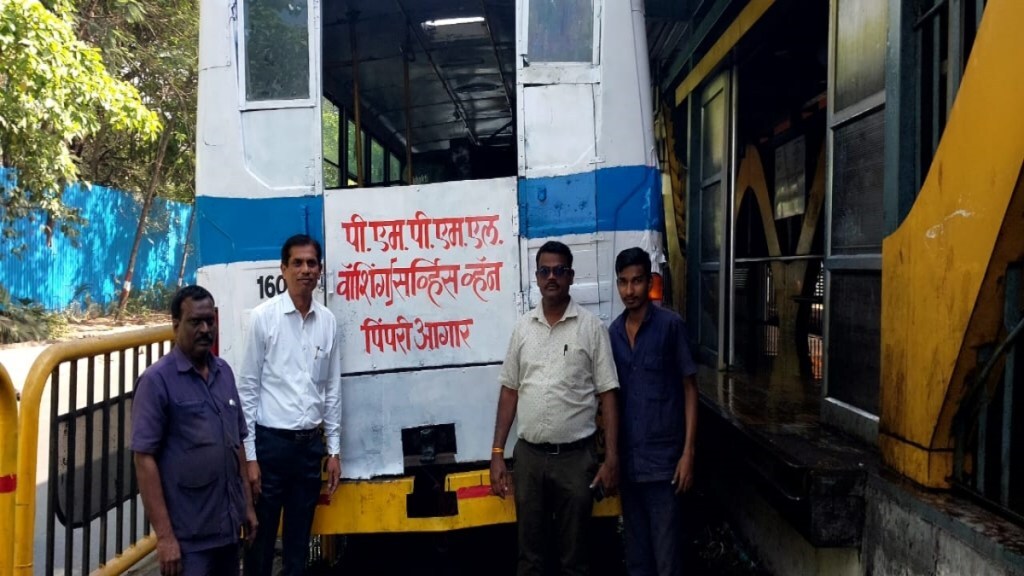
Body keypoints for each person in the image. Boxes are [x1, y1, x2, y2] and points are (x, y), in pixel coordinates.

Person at [489, 240, 620, 576]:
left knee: (574, 558)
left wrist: (611, 459)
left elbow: (608, 395)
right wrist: (497, 452)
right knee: (529, 557)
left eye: (559, 271)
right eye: (545, 271)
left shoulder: (591, 328)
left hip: (576, 461)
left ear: (571, 276)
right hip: (530, 459)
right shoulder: (522, 329)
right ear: (536, 277)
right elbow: (509, 391)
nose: (552, 277)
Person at [132, 285, 257, 576]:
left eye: (210, 321)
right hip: (189, 542)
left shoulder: (223, 372)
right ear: (176, 325)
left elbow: (236, 443)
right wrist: (165, 538)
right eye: (195, 322)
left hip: (226, 532)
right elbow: (144, 459)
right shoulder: (156, 381)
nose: (205, 329)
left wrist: (247, 508)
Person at [239, 234, 342, 576]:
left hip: (309, 450)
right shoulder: (263, 318)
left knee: (299, 547)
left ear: (320, 270)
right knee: (260, 541)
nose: (305, 270)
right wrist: (250, 458)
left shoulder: (327, 322)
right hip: (270, 449)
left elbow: (331, 389)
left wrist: (334, 451)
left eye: (311, 263)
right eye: (297, 263)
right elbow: (248, 391)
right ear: (283, 270)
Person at [609, 247, 698, 576]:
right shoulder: (614, 334)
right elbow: (612, 399)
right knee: (637, 559)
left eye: (636, 281)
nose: (629, 291)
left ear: (649, 282)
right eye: (623, 282)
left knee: (667, 559)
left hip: (665, 467)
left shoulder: (671, 326)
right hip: (630, 467)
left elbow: (690, 389)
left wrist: (688, 454)